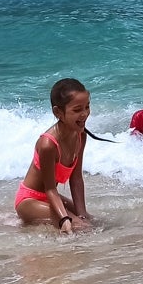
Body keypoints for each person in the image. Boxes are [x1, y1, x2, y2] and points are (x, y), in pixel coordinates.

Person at [15, 78, 109, 233]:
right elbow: (50, 189)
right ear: (58, 112)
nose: (84, 114)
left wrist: (83, 214)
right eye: (77, 110)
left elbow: (76, 179)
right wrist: (64, 219)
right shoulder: (48, 144)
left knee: (93, 222)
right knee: (80, 227)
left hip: (50, 198)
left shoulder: (80, 135)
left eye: (87, 107)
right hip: (29, 201)